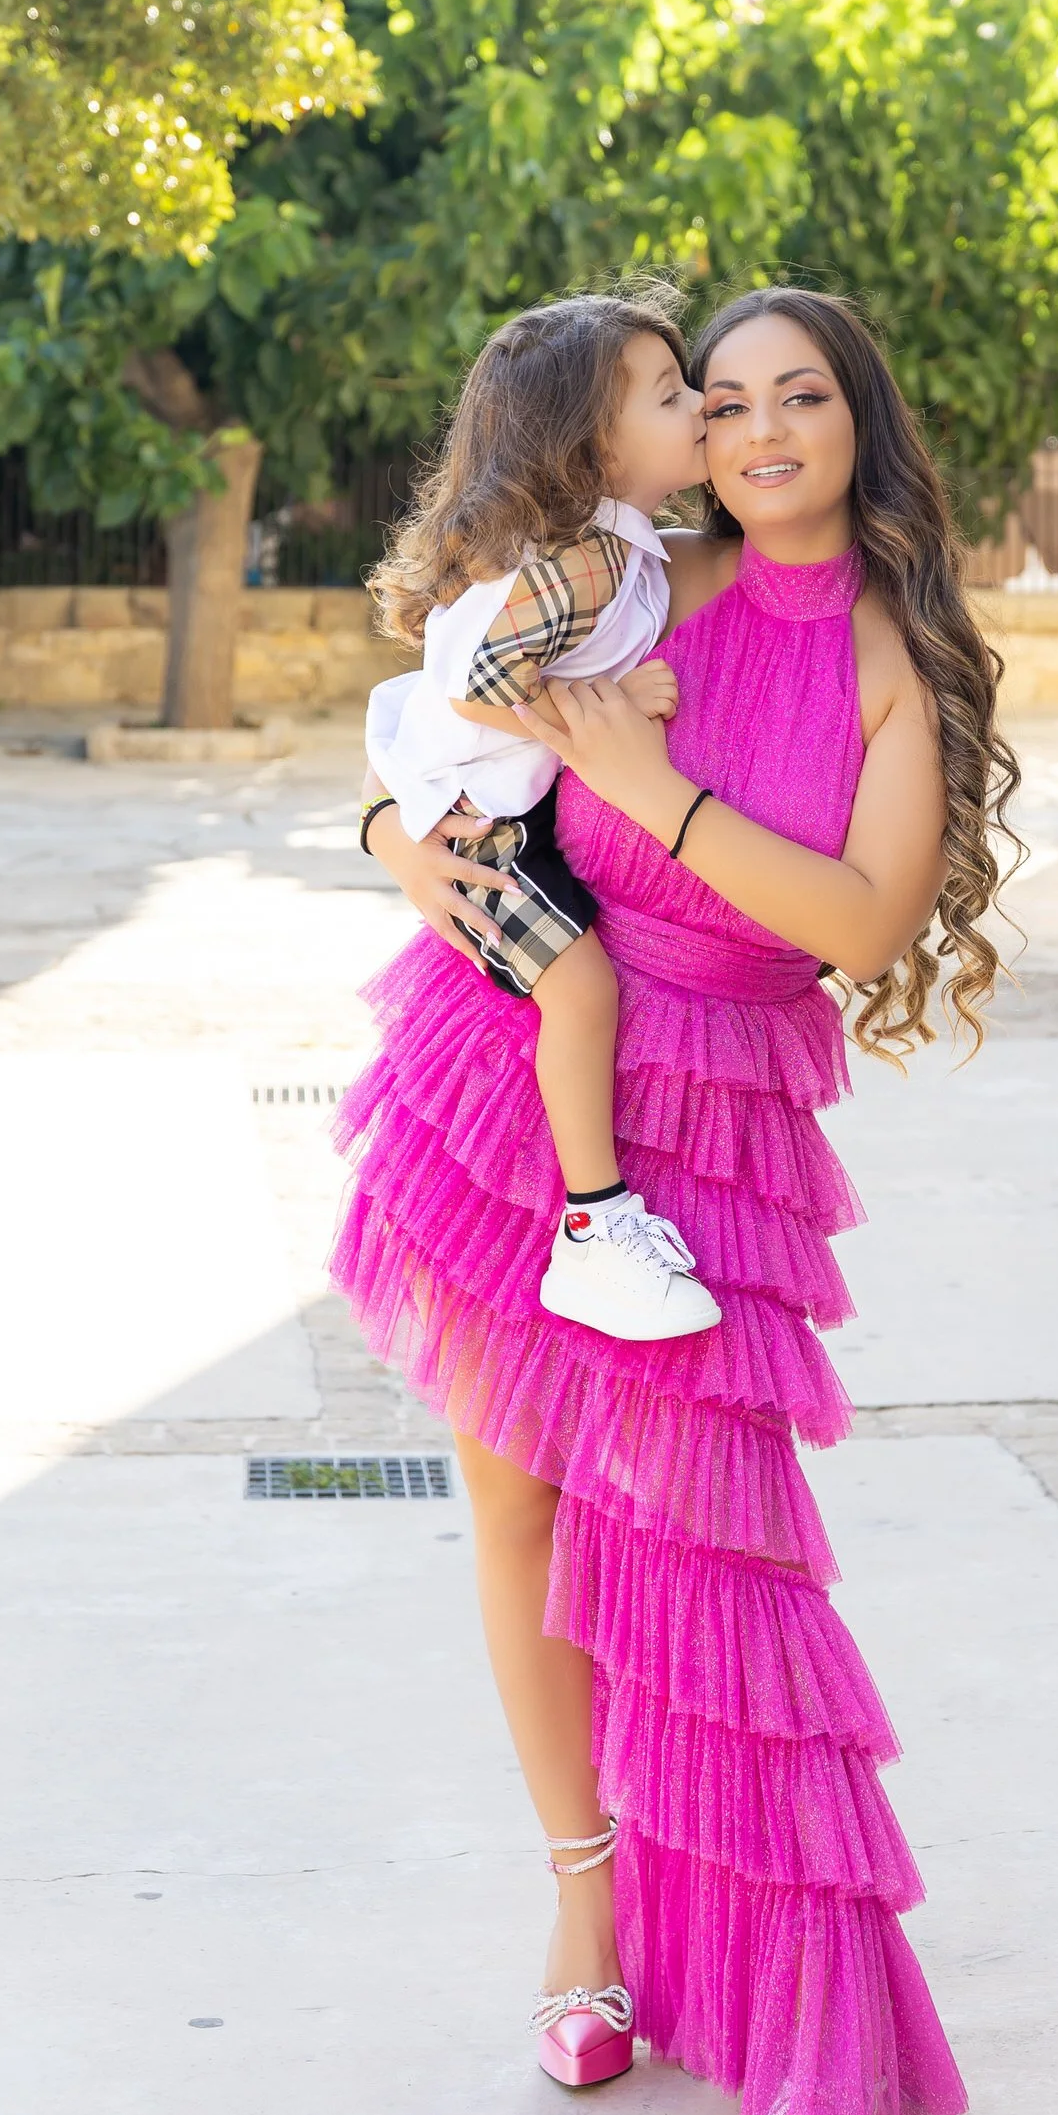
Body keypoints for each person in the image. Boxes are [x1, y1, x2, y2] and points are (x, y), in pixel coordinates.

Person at [338, 285, 1020, 2115]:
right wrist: (391, 846)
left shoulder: (890, 654)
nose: (757, 431)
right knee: (517, 1509)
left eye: (800, 396)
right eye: (719, 403)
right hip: (522, 1056)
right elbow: (438, 722)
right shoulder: (638, 581)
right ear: (682, 435)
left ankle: (802, 2009)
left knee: (720, 1566)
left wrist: (659, 786)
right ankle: (586, 1919)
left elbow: (868, 922)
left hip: (719, 1096)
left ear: (857, 423)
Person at [363, 291, 721, 1343]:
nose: (699, 405)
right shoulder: (587, 564)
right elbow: (477, 683)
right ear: (595, 449)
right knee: (580, 988)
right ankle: (593, 1226)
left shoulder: (627, 547)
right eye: (671, 395)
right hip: (481, 822)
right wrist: (605, 714)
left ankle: (597, 1221)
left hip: (491, 804)